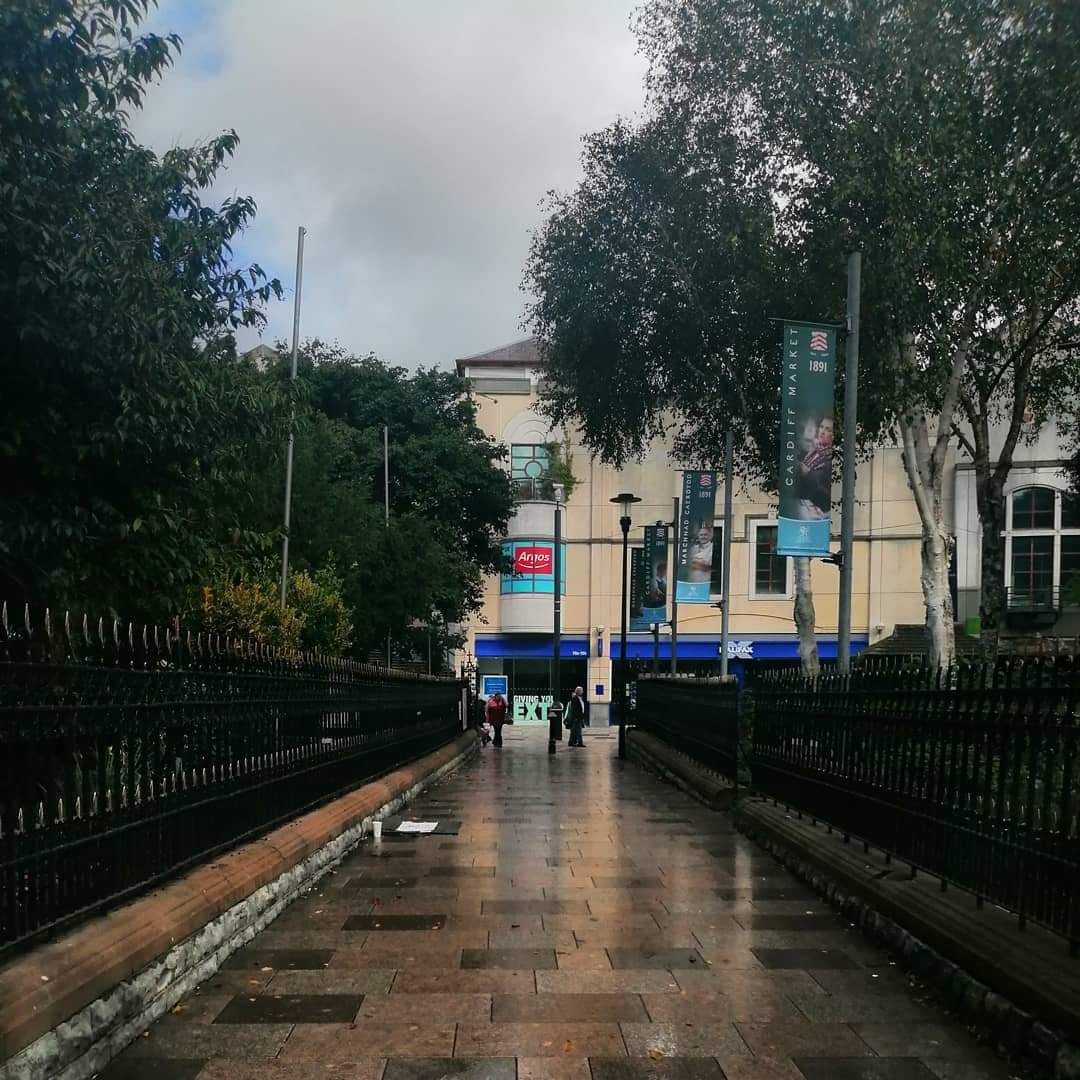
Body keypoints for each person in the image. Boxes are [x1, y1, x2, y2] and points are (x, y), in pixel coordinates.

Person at [796, 415, 833, 519]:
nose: (822, 431)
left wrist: (807, 473)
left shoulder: (829, 460)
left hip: (817, 511)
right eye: (821, 427)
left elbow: (820, 485)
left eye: (828, 429)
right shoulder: (813, 451)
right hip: (802, 504)